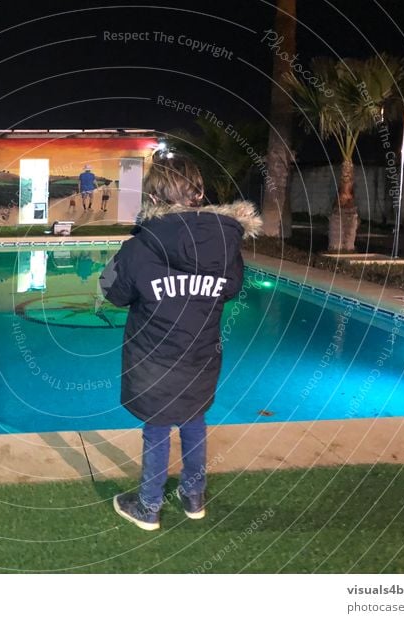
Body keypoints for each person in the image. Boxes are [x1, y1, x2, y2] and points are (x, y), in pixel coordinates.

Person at [99, 151, 262, 530]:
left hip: (154, 361)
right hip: (202, 357)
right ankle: (193, 497)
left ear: (153, 198)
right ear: (198, 193)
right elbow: (232, 288)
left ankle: (149, 506)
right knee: (193, 421)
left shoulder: (140, 247)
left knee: (157, 429)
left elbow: (112, 292)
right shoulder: (226, 243)